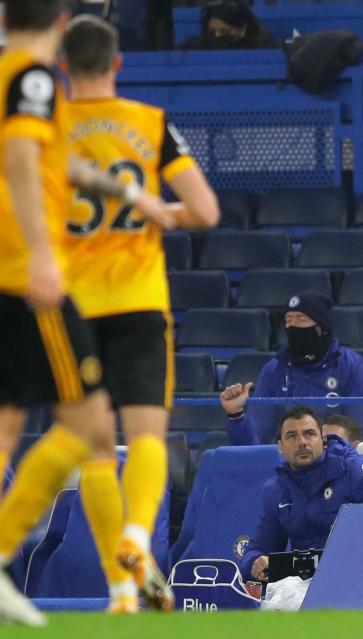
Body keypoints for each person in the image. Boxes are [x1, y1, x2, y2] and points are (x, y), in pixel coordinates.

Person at [0, 0, 168, 626]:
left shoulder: (14, 77)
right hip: (29, 275)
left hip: (23, 273)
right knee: (87, 427)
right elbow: (22, 161)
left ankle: (123, 587)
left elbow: (49, 161)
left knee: (23, 424)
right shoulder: (33, 77)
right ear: (62, 24)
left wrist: (124, 191)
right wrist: (44, 254)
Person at [60, 14, 220, 614]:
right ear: (117, 63)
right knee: (147, 434)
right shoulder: (149, 125)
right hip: (139, 301)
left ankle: (122, 585)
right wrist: (162, 213)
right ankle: (137, 539)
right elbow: (204, 211)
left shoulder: (42, 129)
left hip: (72, 309)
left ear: (62, 65)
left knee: (94, 449)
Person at [240, 405, 363, 582]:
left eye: (309, 433)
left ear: (323, 440)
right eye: (292, 436)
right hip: (303, 585)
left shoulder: (354, 470)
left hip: (362, 575)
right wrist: (255, 563)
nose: (302, 442)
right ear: (280, 446)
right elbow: (260, 548)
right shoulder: (276, 490)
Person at [220, 289, 363, 445]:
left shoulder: (354, 367)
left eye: (301, 319)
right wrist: (236, 416)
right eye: (289, 320)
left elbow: (360, 436)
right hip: (287, 465)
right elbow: (255, 442)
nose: (293, 325)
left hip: (338, 464)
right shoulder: (273, 370)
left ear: (321, 328)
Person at [179, 0, 273, 50]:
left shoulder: (260, 49)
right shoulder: (194, 48)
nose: (217, 35)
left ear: (242, 29)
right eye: (212, 31)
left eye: (225, 31)